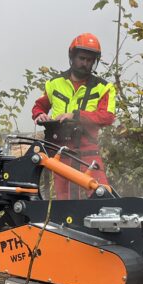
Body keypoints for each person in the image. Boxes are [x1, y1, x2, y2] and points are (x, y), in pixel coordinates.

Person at [30, 33, 116, 199]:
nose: (85, 63)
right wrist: (40, 115)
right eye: (82, 58)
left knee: (102, 195)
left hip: (87, 150)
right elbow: (39, 106)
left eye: (89, 60)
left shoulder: (104, 87)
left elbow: (107, 117)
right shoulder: (54, 84)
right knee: (65, 201)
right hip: (60, 152)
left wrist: (76, 115)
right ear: (72, 56)